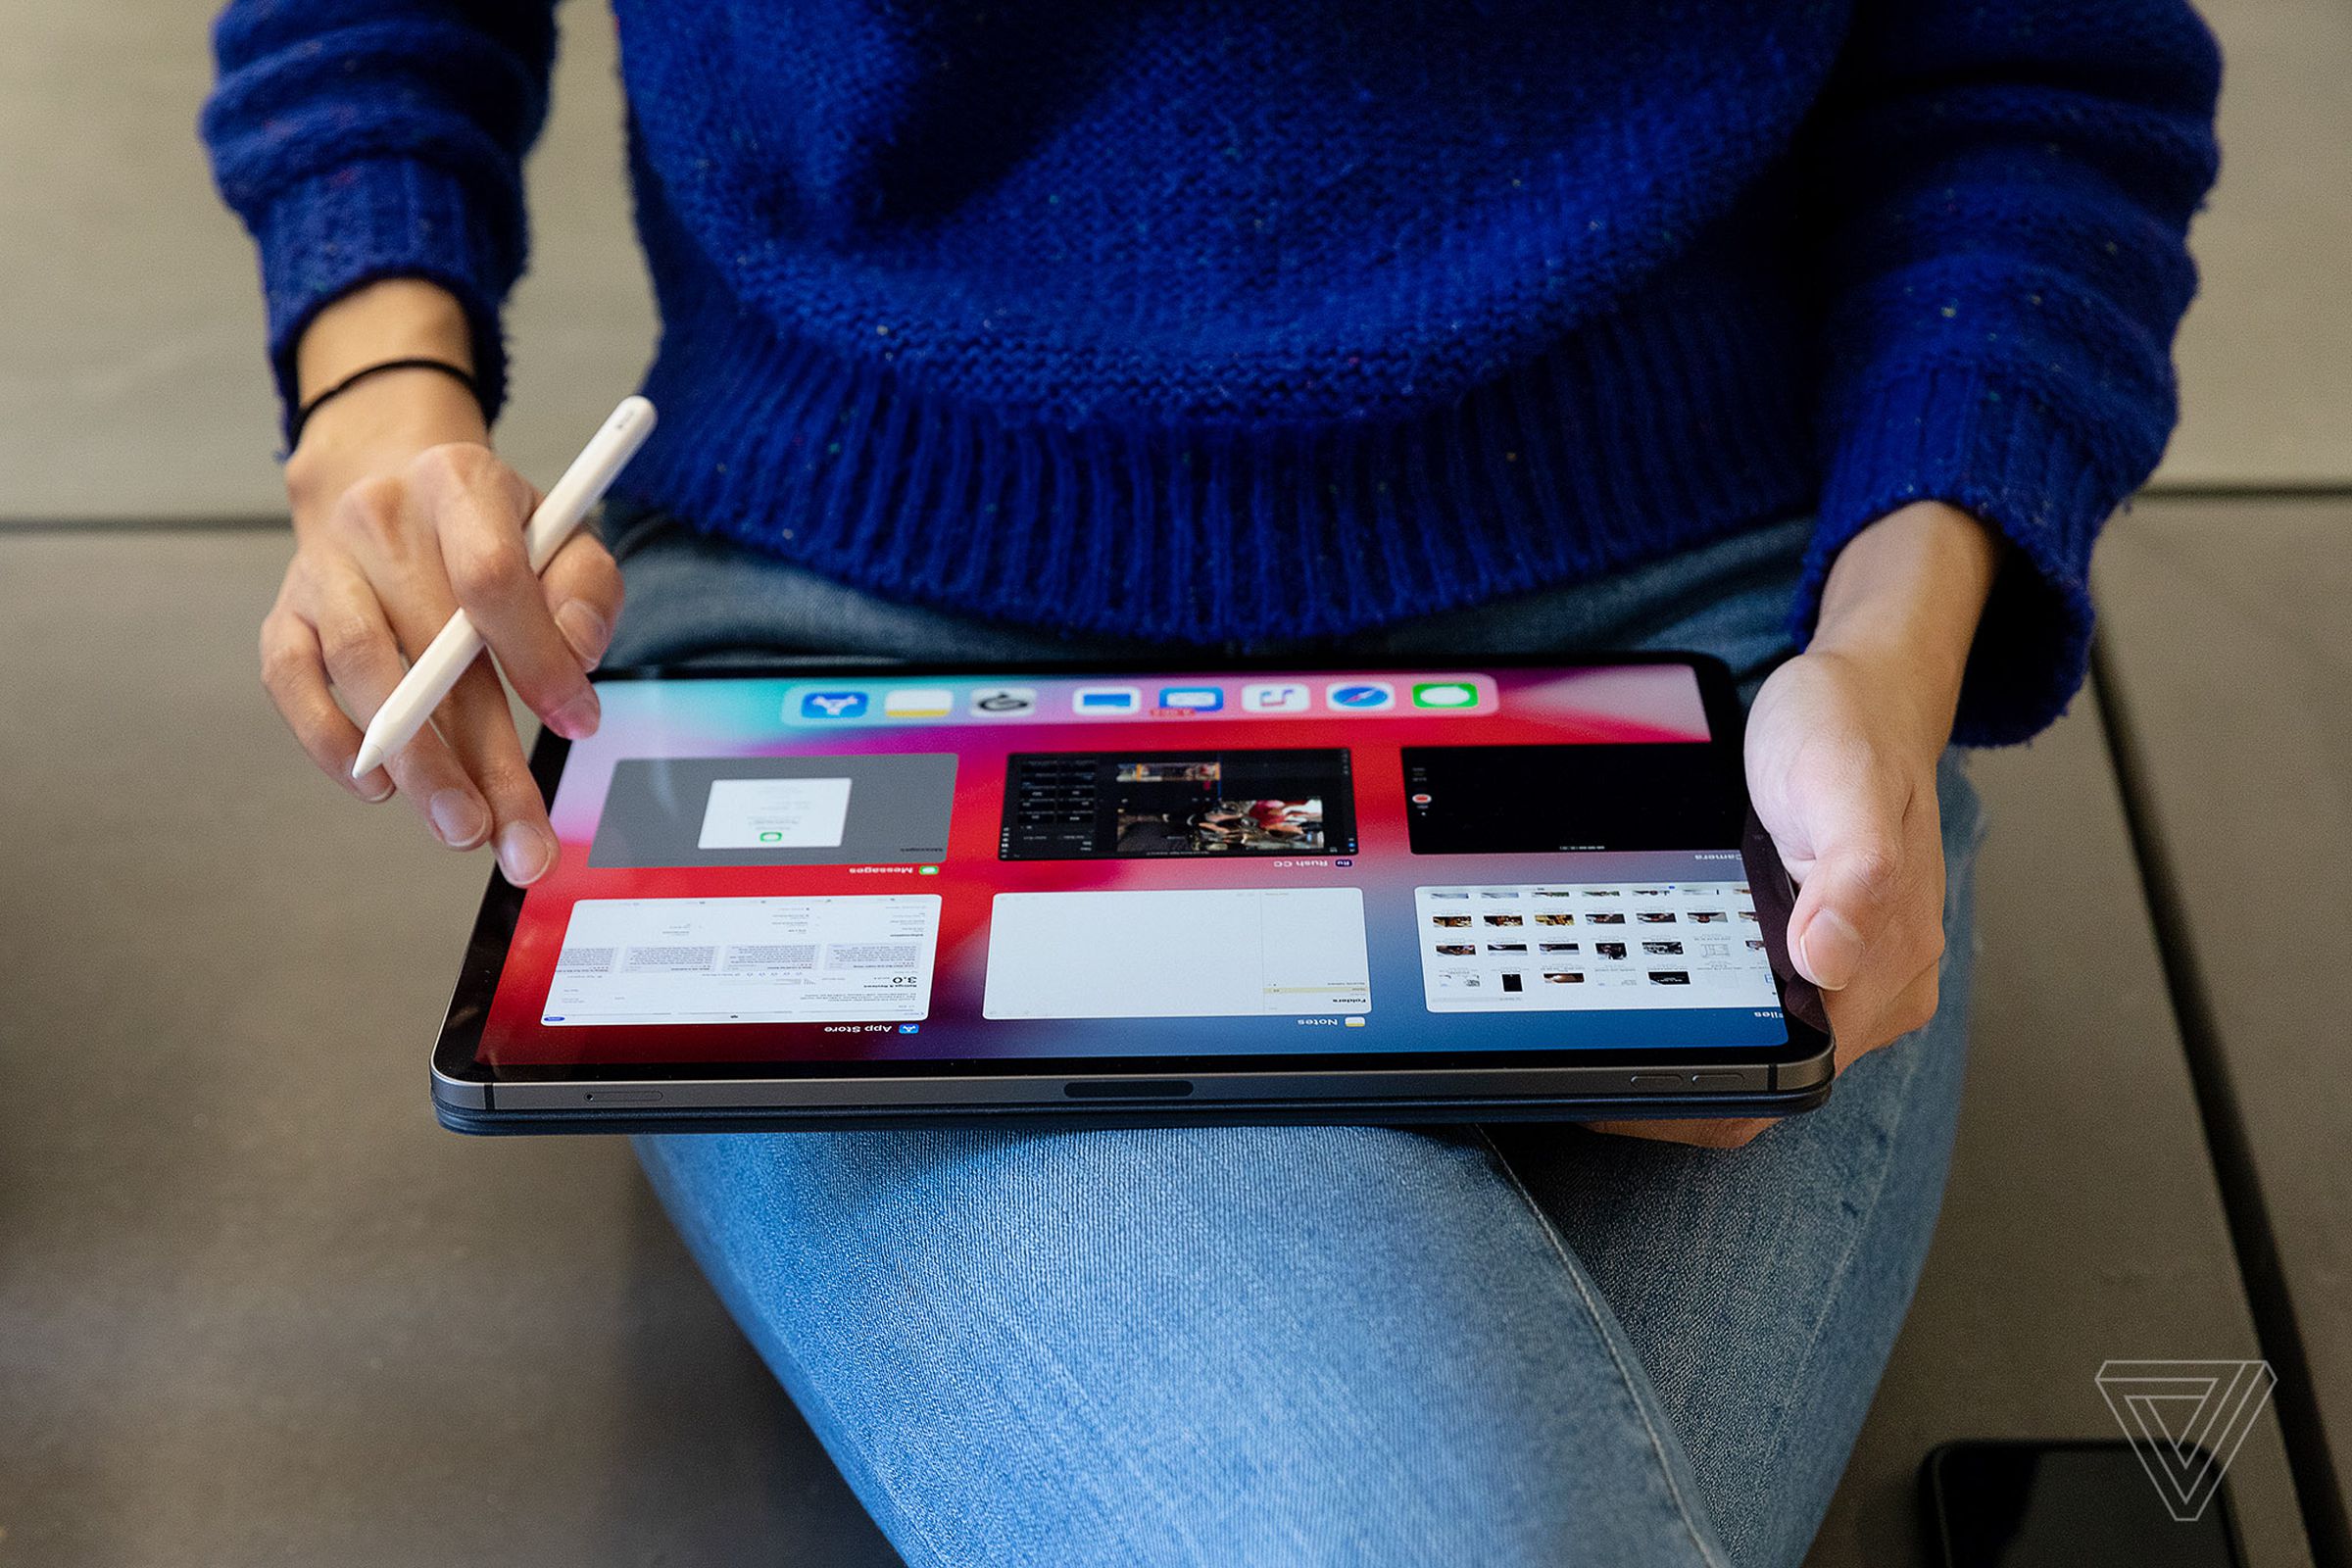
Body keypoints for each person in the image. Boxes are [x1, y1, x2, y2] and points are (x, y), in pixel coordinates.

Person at [201, 4, 2221, 1563]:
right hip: (863, 634)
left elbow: (2037, 69)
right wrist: (378, 401)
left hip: (1693, 669)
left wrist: (1886, 641)